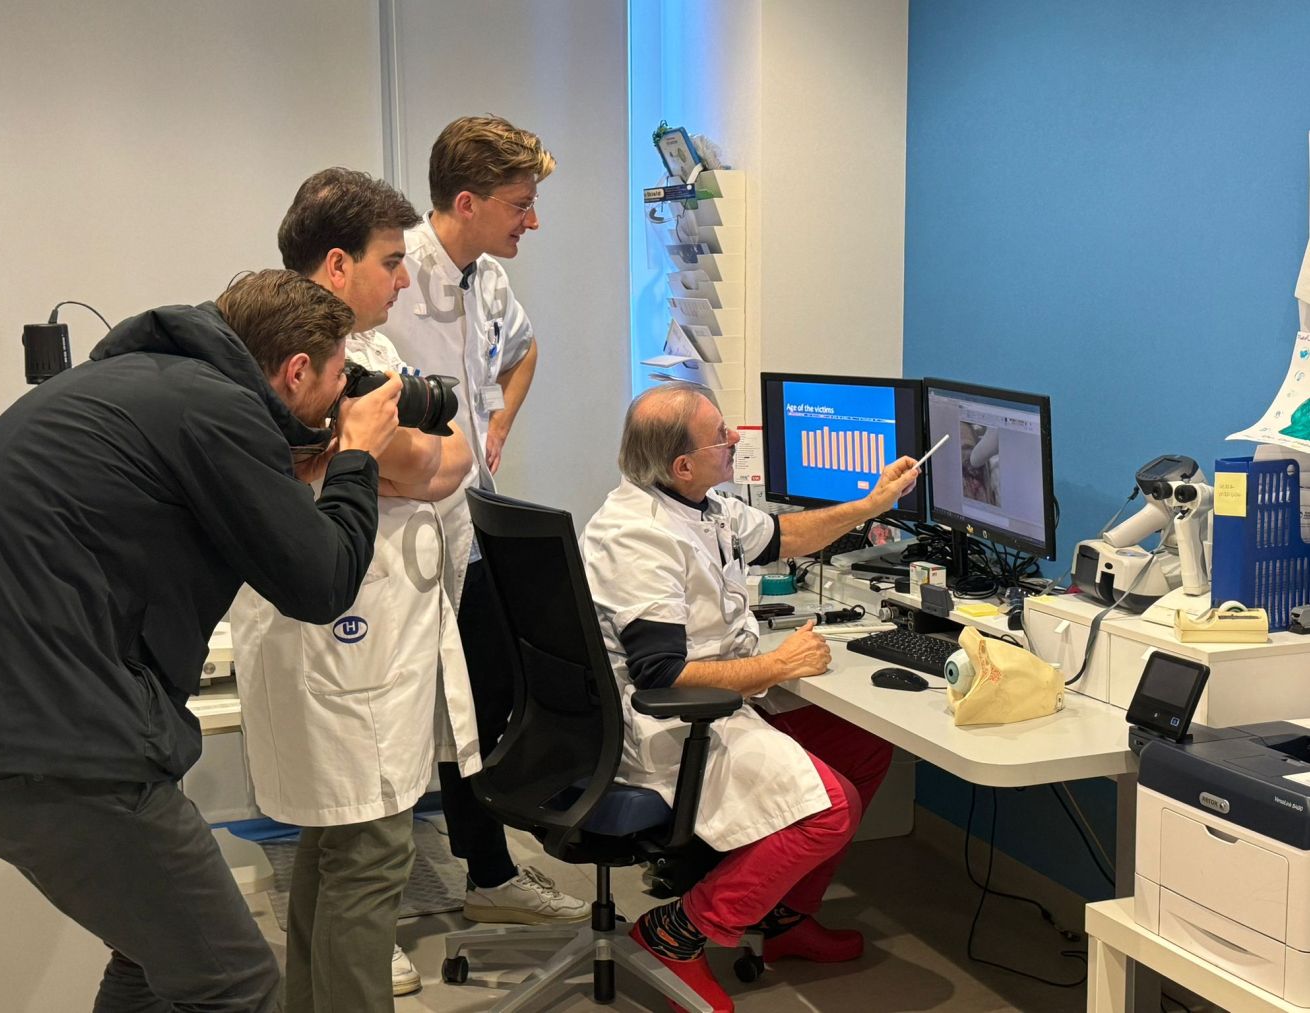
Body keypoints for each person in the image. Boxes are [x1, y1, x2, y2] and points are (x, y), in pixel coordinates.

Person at [0, 269, 402, 1013]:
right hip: (63, 743)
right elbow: (322, 585)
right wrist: (357, 456)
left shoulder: (147, 385)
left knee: (152, 960)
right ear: (296, 371)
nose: (340, 399)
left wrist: (292, 464)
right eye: (338, 381)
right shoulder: (218, 410)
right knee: (238, 984)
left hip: (4, 726)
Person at [581, 382, 920, 1012]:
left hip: (720, 702)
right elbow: (661, 674)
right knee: (831, 808)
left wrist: (870, 505)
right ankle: (678, 932)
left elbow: (785, 537)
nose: (736, 437)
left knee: (865, 748)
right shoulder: (639, 536)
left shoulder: (701, 504)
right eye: (721, 435)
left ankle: (784, 919)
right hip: (675, 720)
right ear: (683, 465)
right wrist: (776, 664)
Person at [231, 168, 477, 1011]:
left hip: (368, 646)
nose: (404, 279)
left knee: (339, 851)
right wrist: (408, 457)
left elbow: (449, 460)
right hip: (343, 648)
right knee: (368, 857)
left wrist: (413, 457)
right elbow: (412, 463)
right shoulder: (303, 361)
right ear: (337, 264)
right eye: (391, 261)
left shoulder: (363, 351)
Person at [383, 115, 588, 925]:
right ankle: (372, 910)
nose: (532, 220)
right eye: (519, 204)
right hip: (393, 540)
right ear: (466, 202)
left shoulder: (488, 280)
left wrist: (498, 419)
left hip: (467, 531)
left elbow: (524, 349)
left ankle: (490, 874)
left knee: (479, 703)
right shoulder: (392, 275)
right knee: (391, 719)